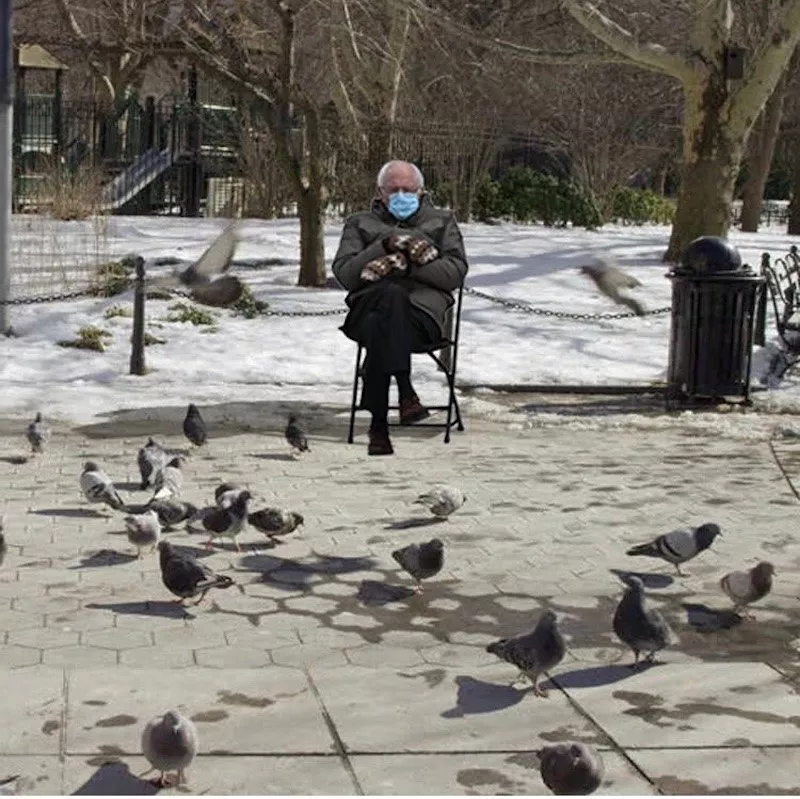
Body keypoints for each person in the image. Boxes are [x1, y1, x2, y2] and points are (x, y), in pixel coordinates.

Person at [332, 160, 468, 456]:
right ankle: (405, 395)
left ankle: (379, 424)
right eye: (394, 190)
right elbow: (346, 274)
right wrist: (383, 246)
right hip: (366, 311)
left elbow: (454, 273)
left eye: (408, 189)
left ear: (421, 191)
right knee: (388, 299)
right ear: (381, 193)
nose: (401, 195)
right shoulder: (359, 223)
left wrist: (405, 268)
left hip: (421, 319)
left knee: (388, 303)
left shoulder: (442, 222)